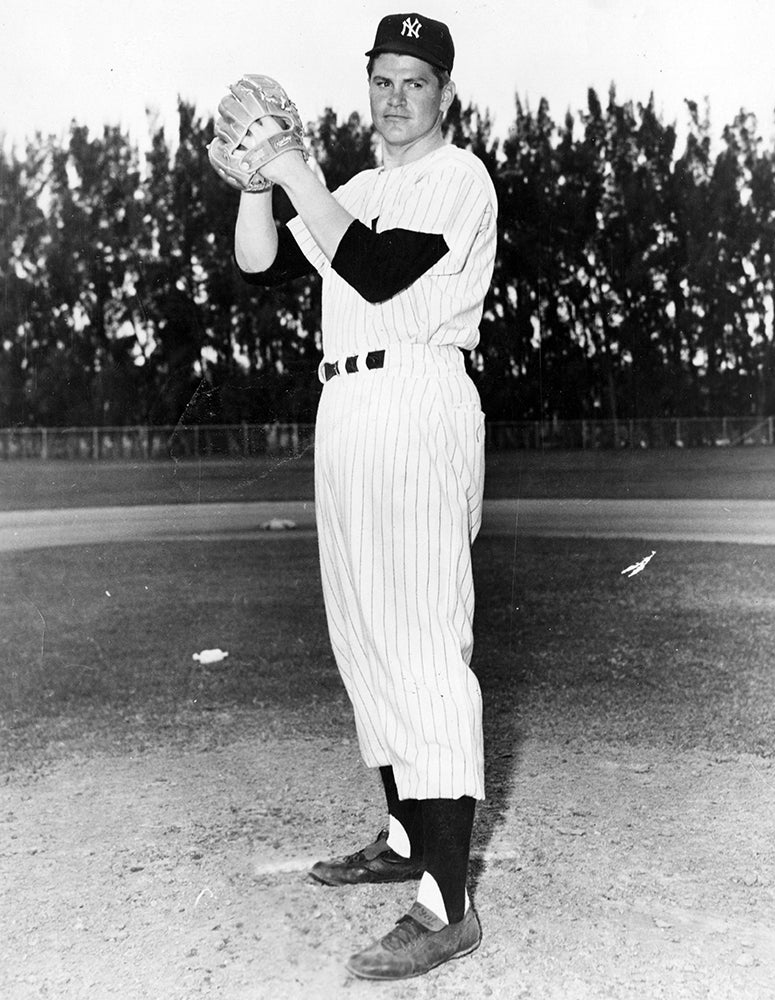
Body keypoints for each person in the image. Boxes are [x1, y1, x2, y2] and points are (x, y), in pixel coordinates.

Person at [230, 11, 497, 980]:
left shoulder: (456, 179)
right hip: (344, 404)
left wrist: (294, 167)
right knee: (365, 633)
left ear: (444, 95)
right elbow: (259, 258)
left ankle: (448, 904)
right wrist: (260, 182)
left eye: (415, 81)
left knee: (423, 638)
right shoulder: (355, 187)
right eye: (383, 78)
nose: (396, 97)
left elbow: (380, 273)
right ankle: (401, 836)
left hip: (416, 393)